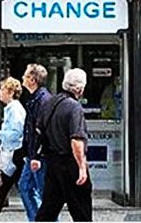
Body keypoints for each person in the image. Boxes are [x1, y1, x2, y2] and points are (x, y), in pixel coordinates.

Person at [34, 68, 92, 222]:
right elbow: (76, 139)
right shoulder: (74, 107)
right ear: (79, 88)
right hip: (70, 162)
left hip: (53, 162)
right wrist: (81, 167)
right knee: (82, 211)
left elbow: (38, 130)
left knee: (48, 209)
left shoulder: (49, 103)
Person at [0, 77, 27, 222]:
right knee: (3, 188)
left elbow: (17, 133)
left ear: (11, 92)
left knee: (24, 189)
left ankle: (39, 216)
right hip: (11, 153)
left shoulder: (15, 109)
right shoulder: (11, 109)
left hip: (15, 153)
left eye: (2, 89)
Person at [19, 64, 52, 221]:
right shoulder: (35, 99)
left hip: (39, 156)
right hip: (33, 154)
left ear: (32, 79)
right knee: (24, 186)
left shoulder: (43, 101)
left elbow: (42, 131)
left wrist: (37, 156)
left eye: (25, 76)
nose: (22, 78)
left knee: (44, 193)